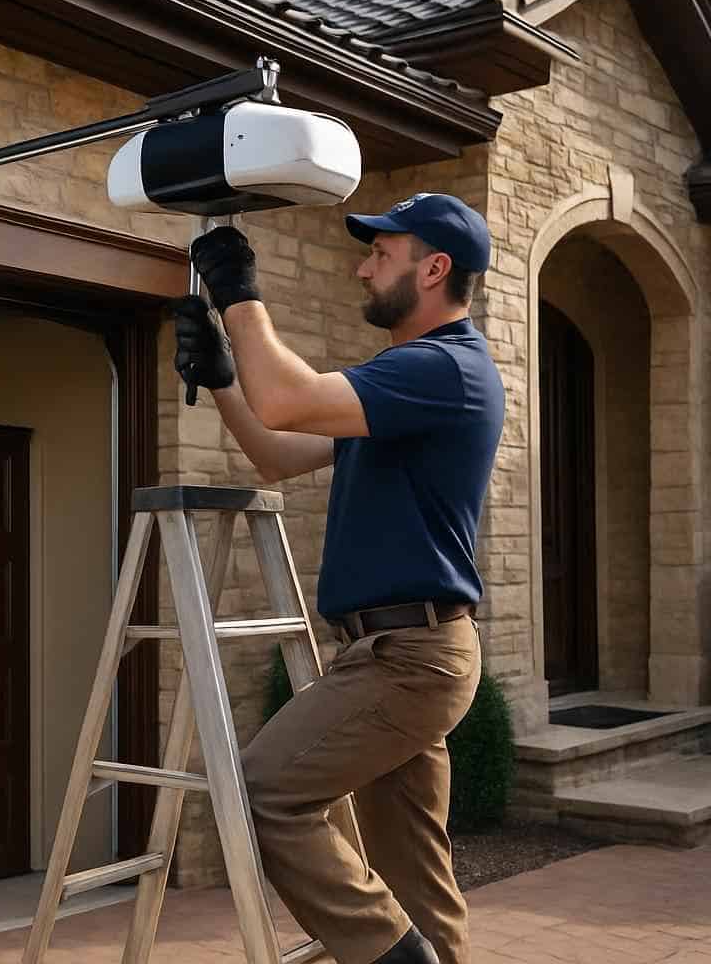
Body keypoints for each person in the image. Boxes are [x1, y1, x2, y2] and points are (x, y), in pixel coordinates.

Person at [171, 192, 505, 964]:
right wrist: (225, 378)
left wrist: (241, 296)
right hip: (393, 654)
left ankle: (392, 956)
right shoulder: (403, 384)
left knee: (259, 792)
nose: (362, 268)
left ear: (434, 268)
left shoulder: (443, 369)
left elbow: (287, 397)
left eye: (380, 256)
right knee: (413, 875)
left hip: (410, 659)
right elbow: (278, 452)